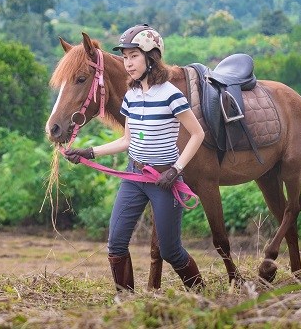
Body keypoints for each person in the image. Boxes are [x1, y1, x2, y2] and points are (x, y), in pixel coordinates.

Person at [63, 24, 206, 292]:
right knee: (116, 244)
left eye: (134, 56)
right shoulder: (131, 96)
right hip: (134, 177)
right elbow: (127, 140)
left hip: (164, 180)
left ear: (151, 58)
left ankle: (200, 293)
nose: (128, 63)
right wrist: (88, 152)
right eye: (126, 57)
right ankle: (125, 301)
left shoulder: (171, 96)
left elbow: (197, 134)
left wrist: (175, 170)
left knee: (171, 251)